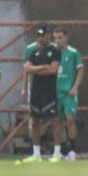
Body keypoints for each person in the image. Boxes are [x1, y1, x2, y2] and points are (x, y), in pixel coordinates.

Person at [20, 26, 63, 163]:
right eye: (38, 36)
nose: (40, 38)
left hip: (49, 91)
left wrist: (36, 70)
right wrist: (43, 67)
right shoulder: (34, 52)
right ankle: (36, 154)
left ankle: (57, 153)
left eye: (42, 35)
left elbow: (53, 70)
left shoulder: (55, 51)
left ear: (49, 35)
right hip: (36, 91)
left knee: (54, 121)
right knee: (35, 121)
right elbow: (27, 69)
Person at [54, 28, 84, 161]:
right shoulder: (52, 53)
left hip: (69, 93)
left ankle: (72, 150)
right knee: (58, 123)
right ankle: (63, 150)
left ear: (66, 38)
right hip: (56, 93)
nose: (57, 41)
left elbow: (81, 70)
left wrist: (75, 87)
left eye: (60, 38)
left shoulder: (73, 53)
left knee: (70, 119)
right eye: (55, 38)